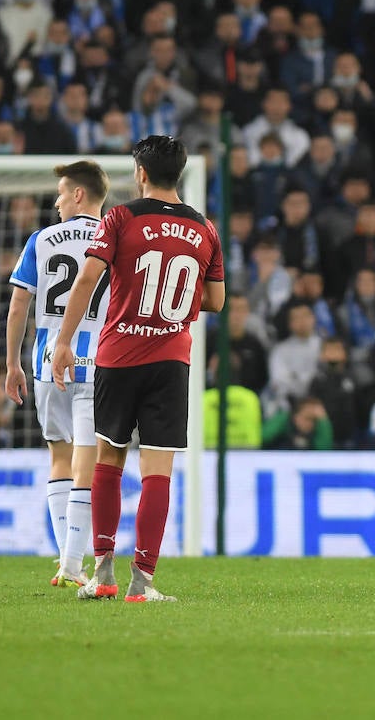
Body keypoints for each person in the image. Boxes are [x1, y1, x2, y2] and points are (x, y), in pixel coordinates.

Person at [53, 136, 225, 602]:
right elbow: (216, 300)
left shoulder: (121, 217)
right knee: (158, 470)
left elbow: (87, 278)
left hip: (118, 357)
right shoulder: (205, 228)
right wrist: (172, 303)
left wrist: (64, 341)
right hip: (170, 360)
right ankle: (142, 581)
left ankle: (103, 574)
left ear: (141, 173)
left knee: (109, 461)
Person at [5, 160, 111, 588]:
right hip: (99, 362)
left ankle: (68, 561)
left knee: (59, 456)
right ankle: (72, 560)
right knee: (89, 458)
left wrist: (12, 363)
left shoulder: (41, 239)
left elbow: (18, 306)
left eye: (62, 193)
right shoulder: (115, 238)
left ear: (79, 195)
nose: (57, 201)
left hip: (49, 362)